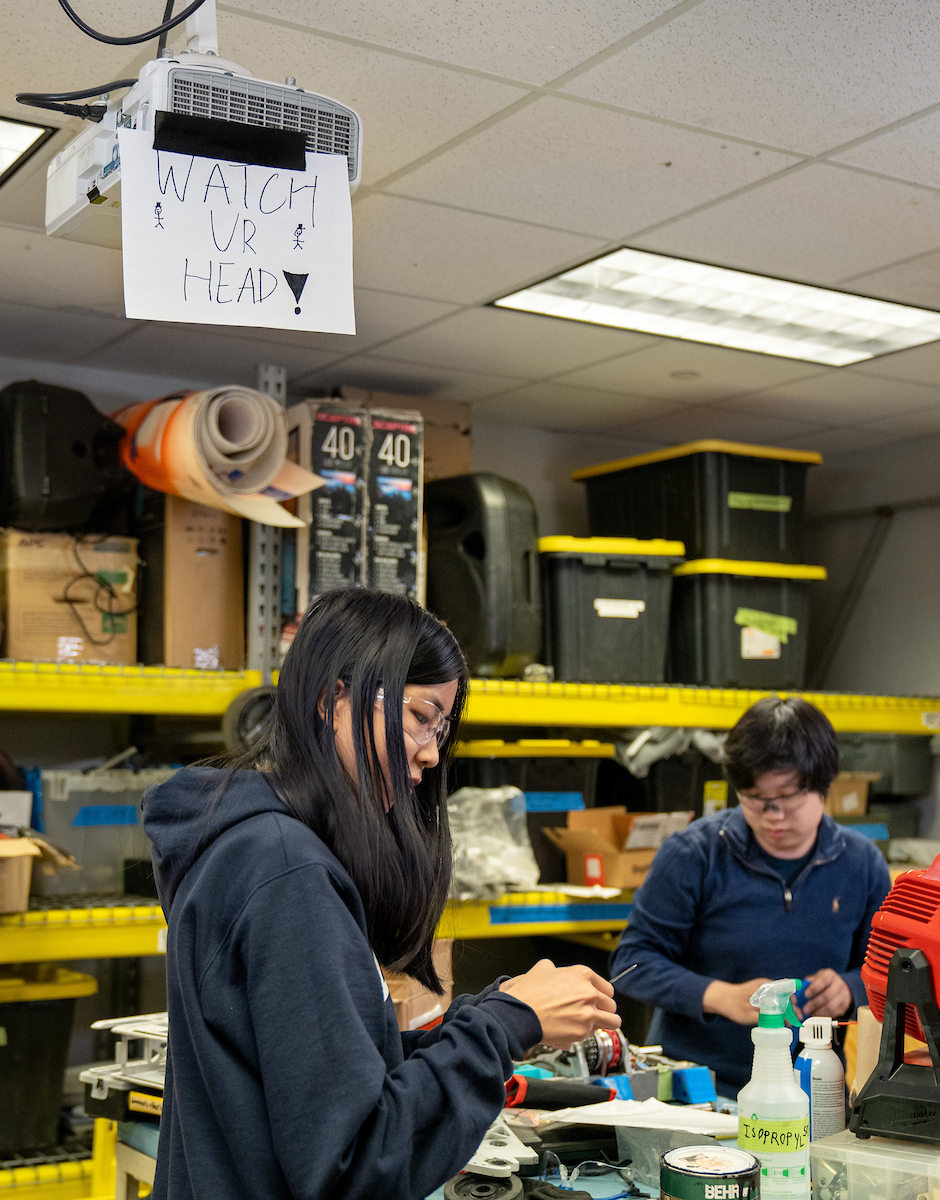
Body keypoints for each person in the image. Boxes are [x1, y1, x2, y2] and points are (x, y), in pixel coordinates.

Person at [144, 588, 619, 1200]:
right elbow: (357, 1164)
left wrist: (491, 1013)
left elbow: (329, 1078)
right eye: (422, 716)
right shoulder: (289, 873)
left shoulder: (252, 847)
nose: (430, 752)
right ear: (332, 698)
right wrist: (505, 1026)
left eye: (442, 727)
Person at [610, 695, 891, 1094]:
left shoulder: (862, 864)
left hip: (812, 1087)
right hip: (696, 1088)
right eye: (755, 798)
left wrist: (848, 988)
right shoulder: (693, 855)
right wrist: (722, 997)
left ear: (824, 785)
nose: (772, 815)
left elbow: (890, 975)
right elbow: (631, 964)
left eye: (788, 797)